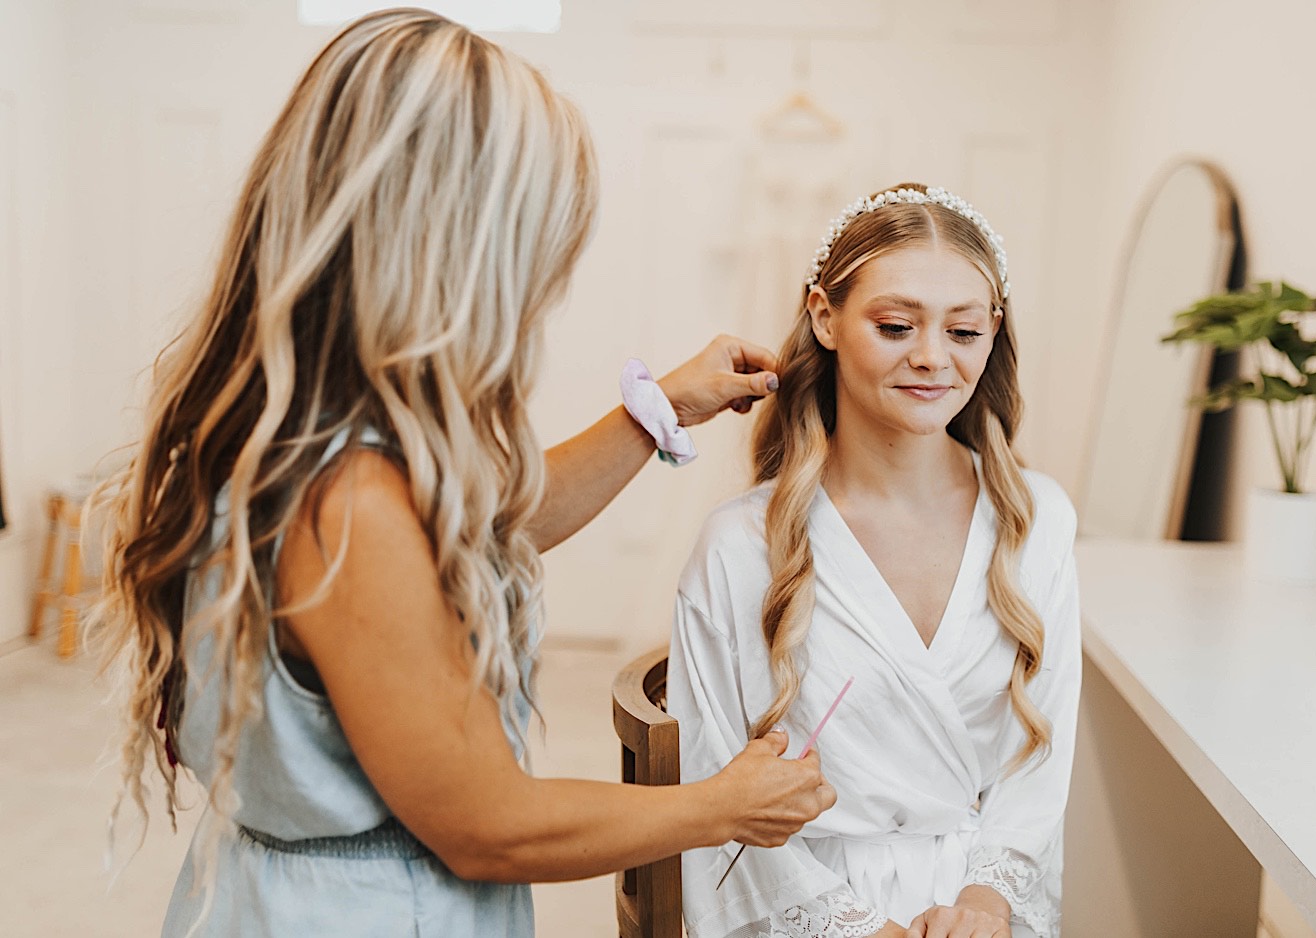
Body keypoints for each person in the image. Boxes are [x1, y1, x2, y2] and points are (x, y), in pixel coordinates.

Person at [89, 10, 835, 937]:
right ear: (456, 247)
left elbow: (483, 527)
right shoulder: (349, 503)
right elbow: (488, 825)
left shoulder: (301, 426)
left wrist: (659, 410)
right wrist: (720, 805)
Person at [669, 183, 1082, 938]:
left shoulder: (1036, 519)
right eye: (895, 326)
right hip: (803, 911)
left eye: (963, 332)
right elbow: (712, 790)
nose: (931, 359)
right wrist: (859, 928)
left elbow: (1040, 764)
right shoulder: (740, 546)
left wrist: (986, 903)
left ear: (993, 333)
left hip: (980, 908)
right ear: (824, 316)